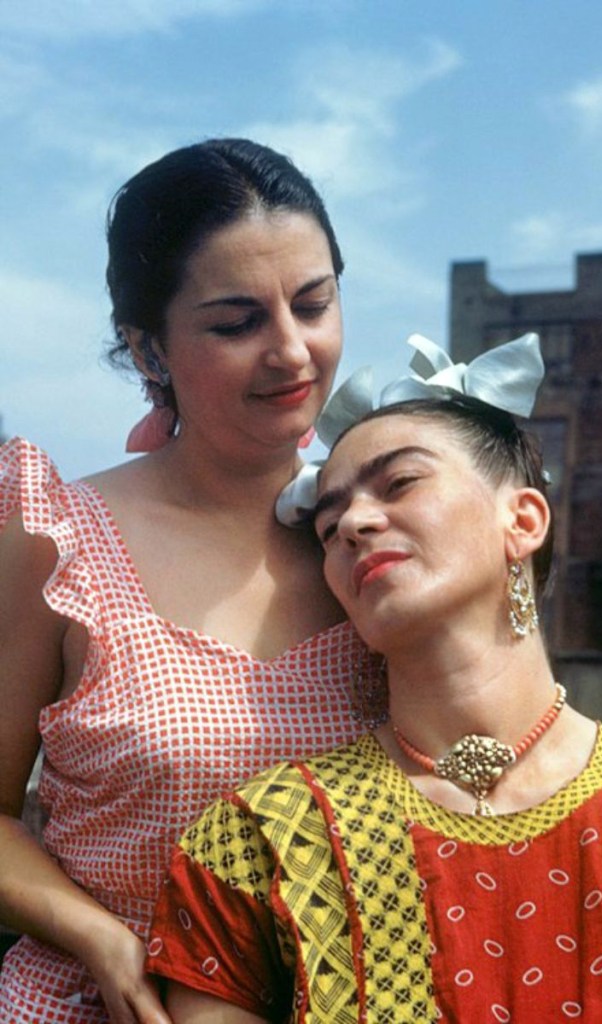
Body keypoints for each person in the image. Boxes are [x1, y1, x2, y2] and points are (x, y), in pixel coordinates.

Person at [146, 334, 602, 1023]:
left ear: (522, 519)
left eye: (400, 483)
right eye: (328, 523)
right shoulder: (255, 839)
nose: (353, 525)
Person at [0, 138, 375, 1024]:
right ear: (149, 348)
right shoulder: (56, 542)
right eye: (235, 321)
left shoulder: (380, 532)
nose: (291, 351)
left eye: (313, 304)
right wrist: (103, 941)